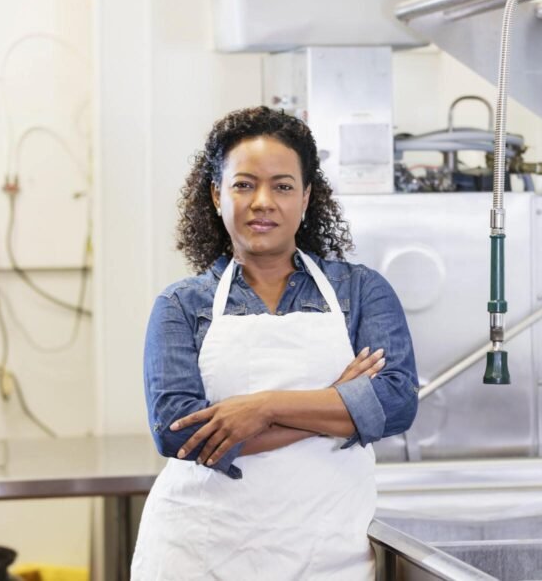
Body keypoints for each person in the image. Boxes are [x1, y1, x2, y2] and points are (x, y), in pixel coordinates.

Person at [132, 106, 419, 580]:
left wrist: (261, 409)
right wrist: (337, 409)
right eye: (244, 184)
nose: (262, 201)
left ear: (306, 199)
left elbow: (394, 404)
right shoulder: (181, 305)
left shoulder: (361, 291)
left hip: (326, 555)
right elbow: (177, 431)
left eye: (283, 186)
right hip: (199, 552)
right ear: (216, 195)